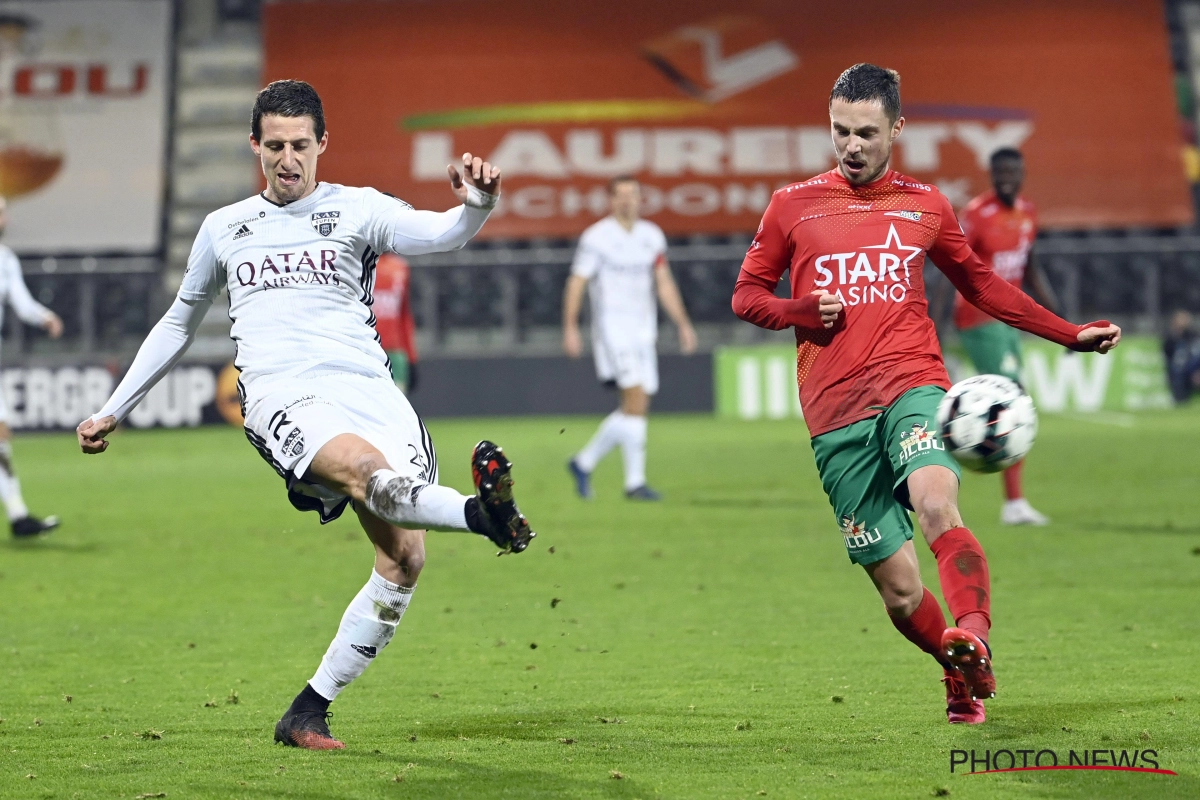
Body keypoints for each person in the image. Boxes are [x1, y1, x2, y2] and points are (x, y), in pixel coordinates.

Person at [75, 81, 534, 750]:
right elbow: (180, 320)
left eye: (300, 145)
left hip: (370, 390)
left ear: (322, 144)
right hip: (283, 393)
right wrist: (115, 407)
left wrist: (480, 204)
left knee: (403, 556)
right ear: (254, 147)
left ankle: (306, 712)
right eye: (275, 146)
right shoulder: (225, 227)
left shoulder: (358, 209)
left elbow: (442, 234)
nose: (288, 160)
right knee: (363, 470)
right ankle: (483, 515)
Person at [731, 64, 1120, 725]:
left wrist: (1066, 334)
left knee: (937, 501)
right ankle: (956, 666)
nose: (851, 146)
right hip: (833, 414)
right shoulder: (791, 204)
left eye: (866, 132)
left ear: (896, 129)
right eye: (840, 131)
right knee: (900, 589)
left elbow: (982, 285)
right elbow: (746, 296)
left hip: (913, 382)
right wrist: (800, 311)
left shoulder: (928, 205)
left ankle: (976, 636)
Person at [936, 148, 1058, 525]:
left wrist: (1060, 320)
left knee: (1008, 398)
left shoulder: (1028, 212)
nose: (1006, 176)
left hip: (1011, 319)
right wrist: (936, 327)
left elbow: (1030, 265)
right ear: (991, 173)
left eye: (1012, 170)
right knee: (1011, 398)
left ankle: (1010, 499)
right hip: (979, 317)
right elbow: (950, 266)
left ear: (1022, 173)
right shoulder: (975, 215)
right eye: (999, 170)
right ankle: (1013, 503)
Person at [562, 176, 697, 501]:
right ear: (610, 200)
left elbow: (663, 282)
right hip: (613, 331)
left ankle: (584, 462)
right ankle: (634, 483)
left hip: (643, 331)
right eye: (620, 195)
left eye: (633, 195)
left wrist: (682, 323)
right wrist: (570, 326)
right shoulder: (597, 238)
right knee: (636, 399)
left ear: (640, 199)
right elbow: (577, 282)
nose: (627, 201)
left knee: (637, 404)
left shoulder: (651, 236)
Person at [0, 194, 64, 538]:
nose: (4, 219)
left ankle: (18, 516)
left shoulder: (5, 259)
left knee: (0, 439)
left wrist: (45, 317)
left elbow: (21, 304)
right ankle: (18, 515)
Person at [373, 252, 419, 392]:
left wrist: (411, 357)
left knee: (398, 407)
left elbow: (404, 315)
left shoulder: (400, 266)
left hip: (396, 351)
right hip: (367, 348)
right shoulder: (358, 262)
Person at [1164, 310, 1200, 404]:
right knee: (1177, 380)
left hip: (1192, 370)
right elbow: (1167, 354)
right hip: (1178, 372)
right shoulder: (1171, 337)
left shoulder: (1193, 336)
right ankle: (1180, 402)